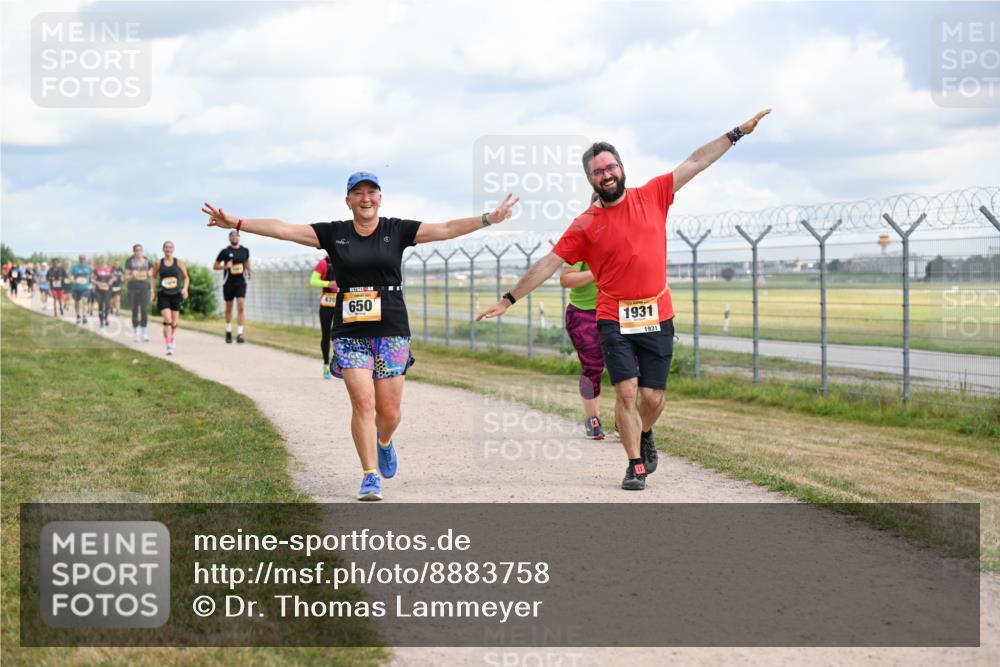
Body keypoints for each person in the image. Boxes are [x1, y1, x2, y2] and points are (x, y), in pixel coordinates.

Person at [478, 109, 772, 491]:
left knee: (652, 397)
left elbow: (697, 162)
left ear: (621, 168)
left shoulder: (653, 195)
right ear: (590, 179)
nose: (607, 174)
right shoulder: (584, 224)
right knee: (627, 390)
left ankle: (644, 431)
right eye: (598, 171)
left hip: (656, 312)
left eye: (611, 167)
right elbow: (550, 263)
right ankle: (634, 465)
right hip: (613, 315)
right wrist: (508, 299)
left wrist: (737, 133)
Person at [202, 171, 518, 501]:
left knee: (390, 413)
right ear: (348, 201)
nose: (366, 198)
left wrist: (489, 218)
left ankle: (384, 441)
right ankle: (369, 475)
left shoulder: (397, 230)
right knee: (363, 402)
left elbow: (447, 229)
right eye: (358, 193)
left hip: (392, 329)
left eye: (372, 192)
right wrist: (236, 223)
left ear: (380, 198)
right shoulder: (333, 233)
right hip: (350, 332)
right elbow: (283, 229)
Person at [561, 260, 607, 439]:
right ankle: (592, 419)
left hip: (618, 311)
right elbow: (566, 279)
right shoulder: (582, 241)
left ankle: (624, 418)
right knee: (592, 368)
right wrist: (601, 271)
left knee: (629, 368)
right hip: (584, 312)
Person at [150, 241, 189, 355]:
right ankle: (168, 345)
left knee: (174, 323)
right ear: (163, 249)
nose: (168, 249)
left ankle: (171, 337)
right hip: (163, 294)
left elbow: (186, 277)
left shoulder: (179, 263)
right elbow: (153, 277)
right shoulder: (158, 263)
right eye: (166, 247)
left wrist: (185, 289)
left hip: (176, 294)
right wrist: (152, 291)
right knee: (168, 320)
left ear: (173, 249)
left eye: (170, 247)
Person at [214, 230, 252, 343]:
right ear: (229, 238)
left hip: (241, 282)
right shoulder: (225, 251)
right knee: (229, 307)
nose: (234, 237)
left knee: (241, 306)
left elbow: (247, 261)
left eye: (236, 235)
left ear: (239, 237)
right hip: (228, 283)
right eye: (232, 236)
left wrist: (250, 271)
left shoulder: (245, 250)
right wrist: (225, 267)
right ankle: (228, 331)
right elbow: (215, 266)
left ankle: (240, 334)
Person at [310, 253, 340, 378]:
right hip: (326, 303)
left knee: (339, 335)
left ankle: (339, 364)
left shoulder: (343, 261)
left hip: (341, 303)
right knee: (326, 334)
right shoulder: (323, 263)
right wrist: (328, 284)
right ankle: (326, 365)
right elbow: (313, 281)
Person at [124, 244, 152, 341]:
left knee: (144, 309)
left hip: (144, 287)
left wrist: (149, 274)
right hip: (133, 287)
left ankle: (144, 333)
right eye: (136, 250)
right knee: (134, 310)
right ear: (134, 251)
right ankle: (136, 333)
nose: (138, 252)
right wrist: (132, 276)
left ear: (142, 251)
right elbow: (126, 278)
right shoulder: (129, 261)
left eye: (140, 250)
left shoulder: (147, 261)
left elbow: (152, 273)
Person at [91, 256, 114, 328]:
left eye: (104, 258)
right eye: (102, 258)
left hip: (107, 288)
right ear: (100, 260)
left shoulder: (110, 268)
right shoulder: (96, 269)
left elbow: (113, 277)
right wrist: (96, 283)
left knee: (107, 305)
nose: (103, 260)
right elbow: (92, 278)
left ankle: (106, 318)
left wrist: (111, 281)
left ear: (107, 259)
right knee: (100, 304)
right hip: (99, 289)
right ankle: (101, 322)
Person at [69, 255, 92, 323]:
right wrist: (72, 280)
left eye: (84, 259)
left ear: (85, 259)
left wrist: (93, 282)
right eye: (81, 259)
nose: (82, 260)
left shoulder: (89, 267)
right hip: (76, 288)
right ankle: (78, 316)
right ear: (79, 259)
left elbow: (93, 275)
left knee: (84, 300)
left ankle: (84, 316)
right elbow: (70, 274)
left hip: (85, 288)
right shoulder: (75, 267)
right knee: (77, 302)